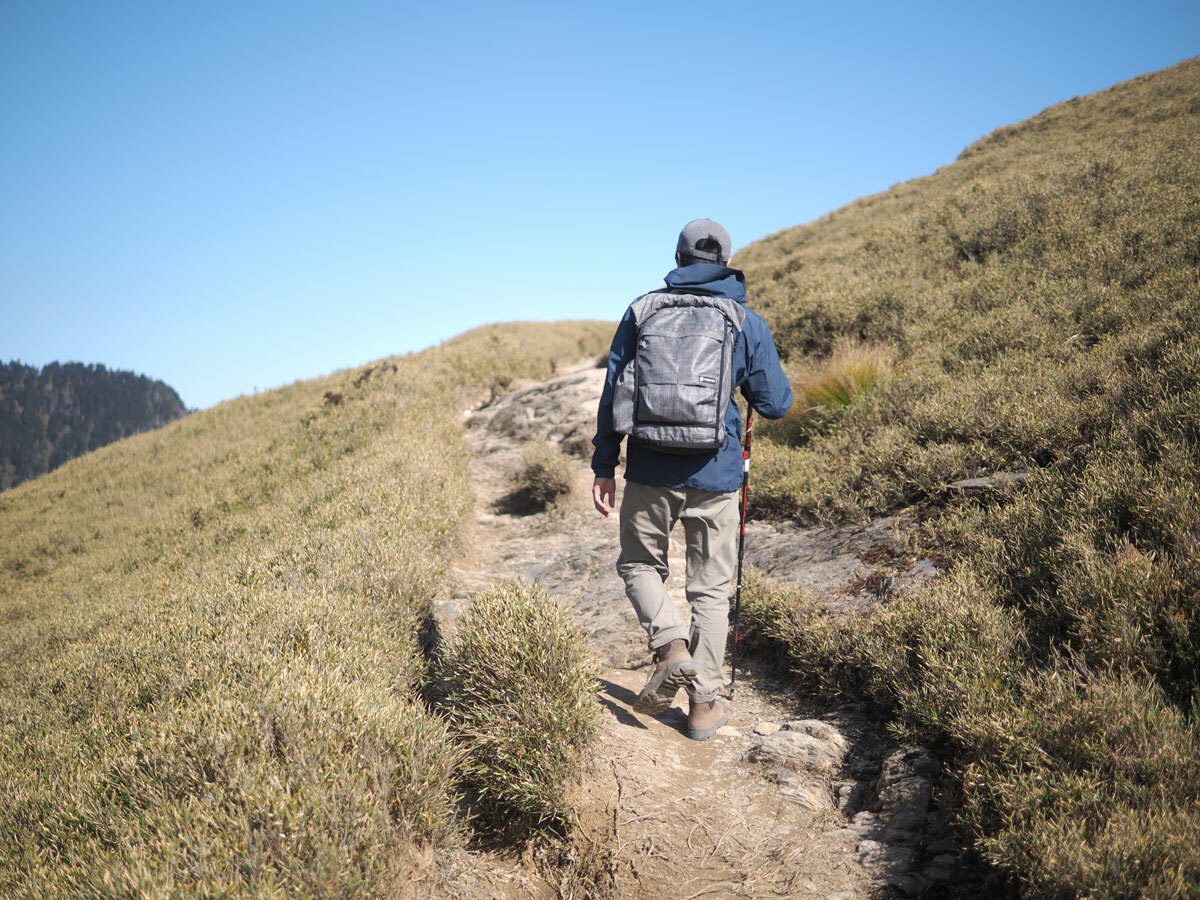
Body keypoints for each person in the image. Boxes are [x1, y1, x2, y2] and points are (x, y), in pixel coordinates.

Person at [591, 219, 793, 740]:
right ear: (725, 262)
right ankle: (703, 707)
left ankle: (670, 646)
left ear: (678, 261)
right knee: (712, 590)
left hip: (649, 469)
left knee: (638, 563)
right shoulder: (745, 320)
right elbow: (776, 404)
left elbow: (613, 391)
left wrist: (603, 465)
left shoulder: (641, 311)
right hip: (718, 472)